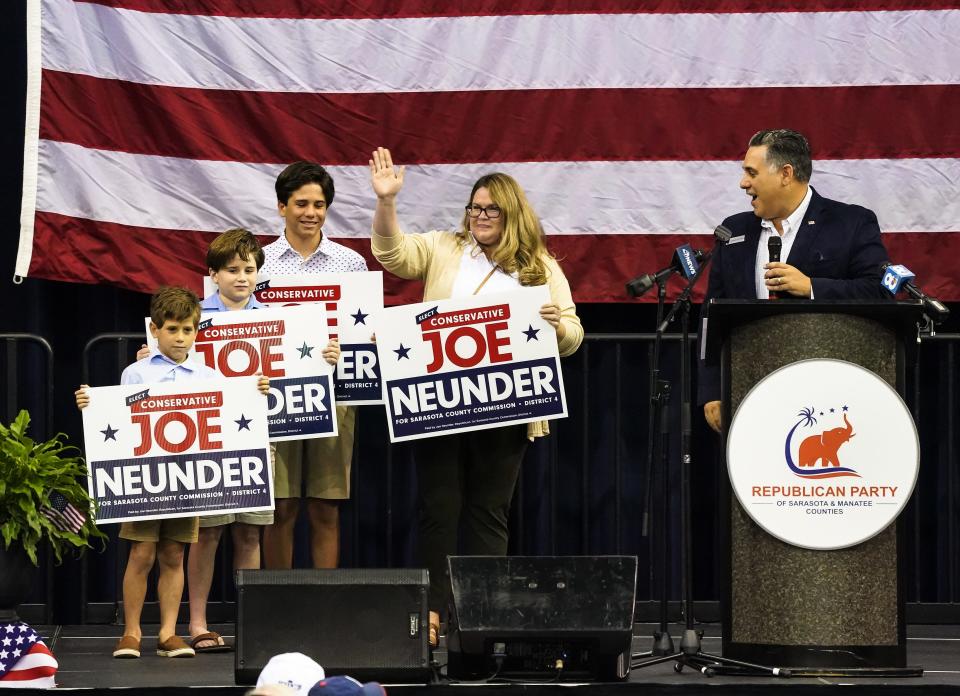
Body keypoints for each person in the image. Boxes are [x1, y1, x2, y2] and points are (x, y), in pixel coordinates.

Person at [368, 147, 583, 645]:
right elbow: (393, 254)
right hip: (438, 405)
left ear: (512, 214)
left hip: (506, 407)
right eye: (474, 208)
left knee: (489, 512)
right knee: (439, 509)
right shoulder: (446, 246)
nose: (480, 217)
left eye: (491, 210)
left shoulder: (540, 266)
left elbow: (573, 334)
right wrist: (386, 203)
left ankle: (482, 613)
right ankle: (435, 614)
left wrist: (556, 328)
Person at [75, 286, 270, 659]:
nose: (180, 337)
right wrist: (90, 402)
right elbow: (115, 417)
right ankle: (131, 633)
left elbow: (230, 413)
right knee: (142, 553)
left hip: (188, 481)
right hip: (146, 480)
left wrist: (256, 391)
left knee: (174, 555)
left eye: (188, 330)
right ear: (155, 330)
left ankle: (168, 633)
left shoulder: (207, 374)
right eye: (172, 329)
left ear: (197, 331)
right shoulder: (135, 373)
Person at [183, 229, 340, 652]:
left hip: (260, 440)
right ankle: (198, 623)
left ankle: (250, 622)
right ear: (213, 274)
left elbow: (303, 370)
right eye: (232, 270)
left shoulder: (279, 320)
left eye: (248, 269)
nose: (241, 277)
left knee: (251, 534)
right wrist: (153, 355)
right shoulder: (194, 319)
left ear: (258, 273)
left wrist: (324, 359)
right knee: (208, 534)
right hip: (210, 442)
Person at [698, 129, 891, 433]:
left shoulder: (851, 224)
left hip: (826, 397)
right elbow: (711, 315)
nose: (743, 183)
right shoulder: (733, 231)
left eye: (752, 172)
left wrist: (812, 287)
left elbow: (880, 290)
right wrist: (711, 390)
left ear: (785, 174)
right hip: (748, 394)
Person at [260, 162, 367, 570]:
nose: (311, 212)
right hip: (277, 399)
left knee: (326, 507)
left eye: (319, 205)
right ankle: (279, 604)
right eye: (301, 203)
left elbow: (364, 332)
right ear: (281, 207)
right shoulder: (259, 263)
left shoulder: (350, 263)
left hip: (336, 396)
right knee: (280, 506)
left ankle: (327, 608)